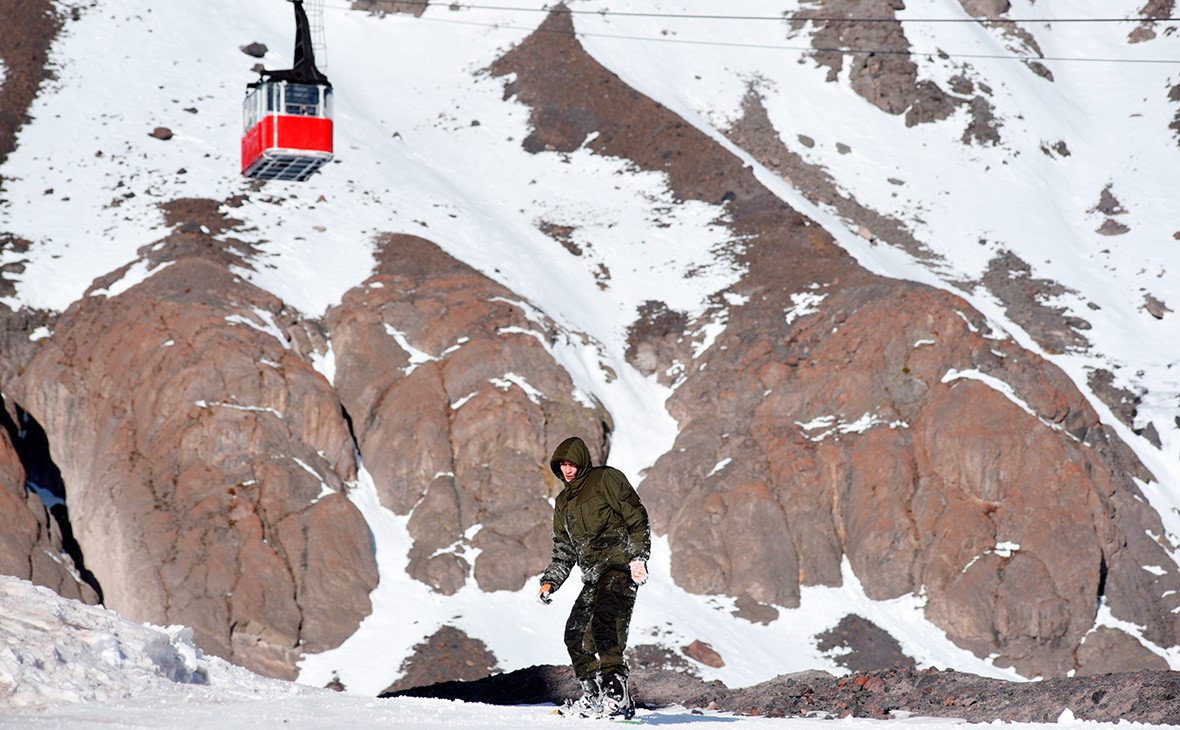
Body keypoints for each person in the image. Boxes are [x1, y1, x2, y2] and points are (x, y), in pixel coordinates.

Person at [537, 436, 651, 720]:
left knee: (605, 624)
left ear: (582, 461)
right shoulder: (563, 502)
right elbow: (563, 549)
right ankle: (595, 698)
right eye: (562, 464)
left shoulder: (605, 479)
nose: (568, 469)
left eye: (572, 463)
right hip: (593, 575)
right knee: (575, 635)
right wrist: (550, 581)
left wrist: (638, 557)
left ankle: (618, 696)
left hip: (619, 566)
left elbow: (636, 516)